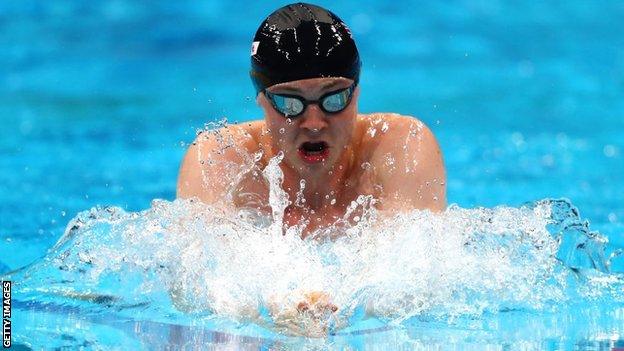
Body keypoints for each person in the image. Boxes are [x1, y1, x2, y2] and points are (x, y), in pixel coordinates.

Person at [175, 3, 446, 332]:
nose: (314, 122)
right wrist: (277, 303)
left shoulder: (399, 146)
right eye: (290, 103)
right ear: (260, 99)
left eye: (334, 99)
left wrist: (354, 303)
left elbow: (409, 280)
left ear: (357, 91)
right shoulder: (222, 158)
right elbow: (201, 288)